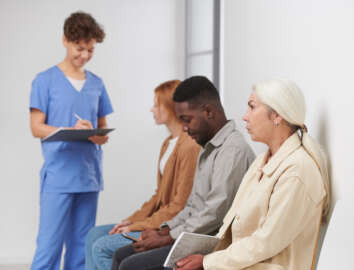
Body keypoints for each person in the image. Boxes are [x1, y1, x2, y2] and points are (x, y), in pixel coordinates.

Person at [174, 79, 331, 270]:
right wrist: (204, 256)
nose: (244, 117)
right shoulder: (263, 161)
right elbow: (231, 224)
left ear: (277, 116)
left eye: (251, 107)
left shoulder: (298, 171)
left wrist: (207, 262)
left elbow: (266, 242)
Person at [111, 76, 256, 270]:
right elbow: (192, 206)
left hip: (212, 246)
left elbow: (214, 214)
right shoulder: (207, 148)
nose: (185, 128)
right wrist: (164, 230)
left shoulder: (232, 151)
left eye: (187, 120)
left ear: (208, 112)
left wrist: (168, 238)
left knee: (131, 266)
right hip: (192, 237)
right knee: (122, 255)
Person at [85, 80, 201, 270]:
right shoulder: (168, 143)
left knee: (102, 246)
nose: (151, 109)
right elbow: (158, 195)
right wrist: (130, 221)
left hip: (167, 227)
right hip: (155, 221)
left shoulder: (189, 147)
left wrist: (137, 227)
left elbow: (178, 206)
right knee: (93, 235)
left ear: (171, 108)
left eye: (156, 104)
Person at [29, 12, 113, 270]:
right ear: (65, 40)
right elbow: (36, 127)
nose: (85, 55)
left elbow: (103, 136)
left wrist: (92, 132)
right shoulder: (45, 81)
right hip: (58, 177)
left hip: (88, 177)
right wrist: (67, 129)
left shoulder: (97, 84)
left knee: (80, 248)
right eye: (80, 48)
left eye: (90, 50)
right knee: (49, 247)